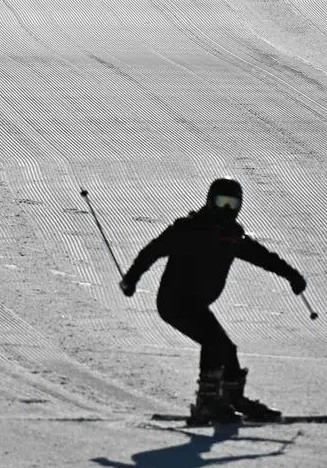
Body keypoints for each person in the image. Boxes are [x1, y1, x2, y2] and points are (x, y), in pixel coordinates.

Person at [118, 177, 307, 423]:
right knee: (213, 342)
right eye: (221, 202)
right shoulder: (189, 229)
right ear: (209, 201)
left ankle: (231, 398)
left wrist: (291, 275)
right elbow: (152, 250)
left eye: (232, 203)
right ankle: (207, 402)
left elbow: (263, 257)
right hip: (175, 301)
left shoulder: (232, 236)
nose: (226, 209)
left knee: (225, 348)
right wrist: (131, 279)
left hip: (195, 303)